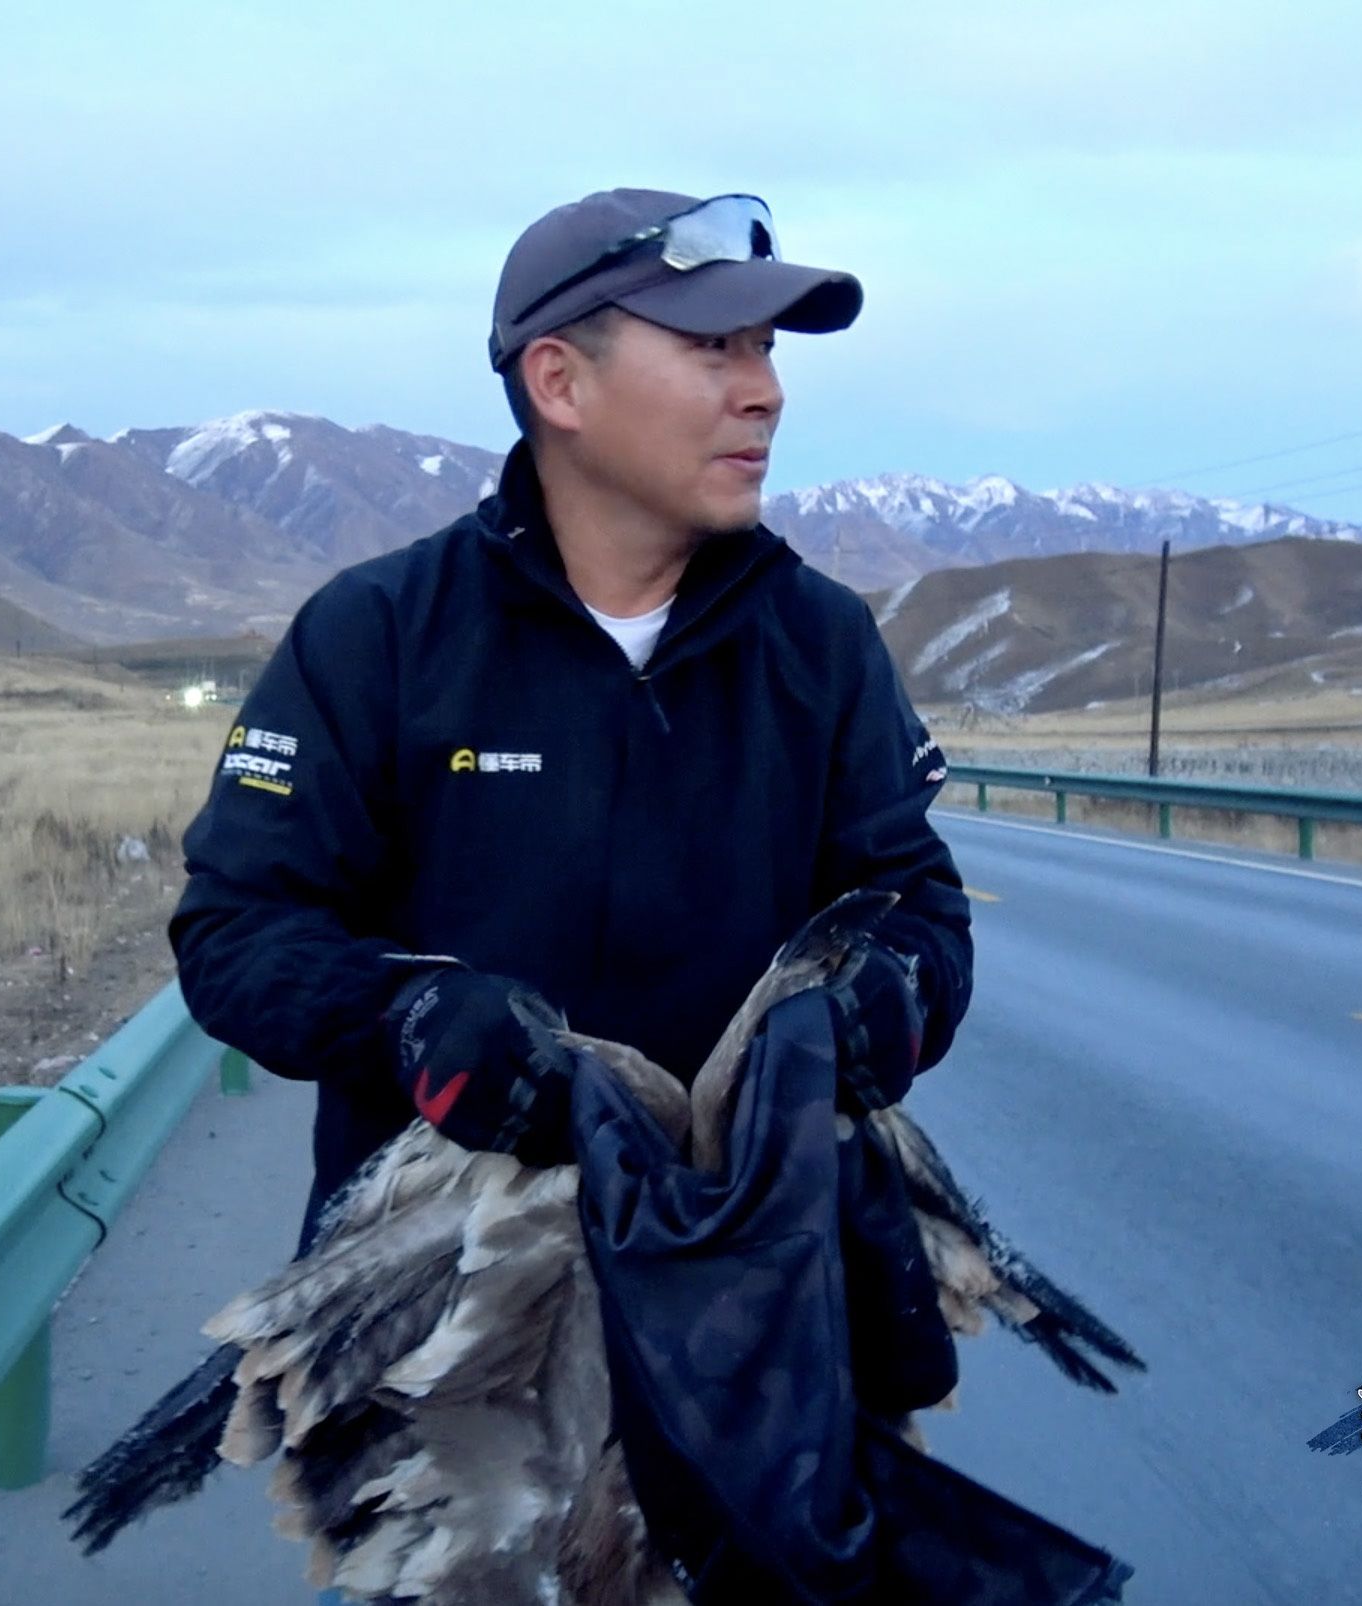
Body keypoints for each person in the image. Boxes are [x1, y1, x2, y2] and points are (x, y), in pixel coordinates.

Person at [169, 187, 974, 1250]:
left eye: (767, 350)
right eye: (716, 348)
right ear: (559, 380)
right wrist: (409, 1018)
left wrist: (888, 997)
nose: (766, 391)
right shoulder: (378, 634)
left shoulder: (819, 642)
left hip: (760, 1294)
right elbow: (239, 929)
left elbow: (915, 908)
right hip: (433, 1306)